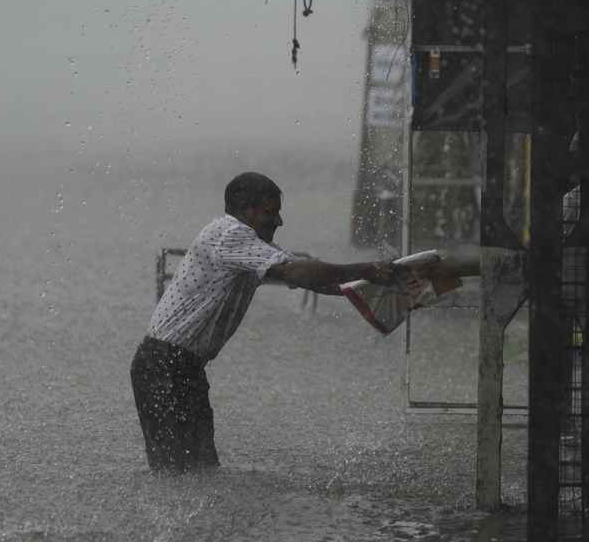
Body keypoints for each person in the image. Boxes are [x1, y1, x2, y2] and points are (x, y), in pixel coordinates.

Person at [130, 172, 414, 473]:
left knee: (200, 470)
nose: (278, 222)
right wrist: (367, 268)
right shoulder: (231, 233)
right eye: (271, 212)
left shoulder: (251, 245)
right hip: (163, 365)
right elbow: (293, 272)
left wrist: (386, 290)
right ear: (244, 210)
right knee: (176, 474)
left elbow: (310, 278)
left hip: (181, 366)